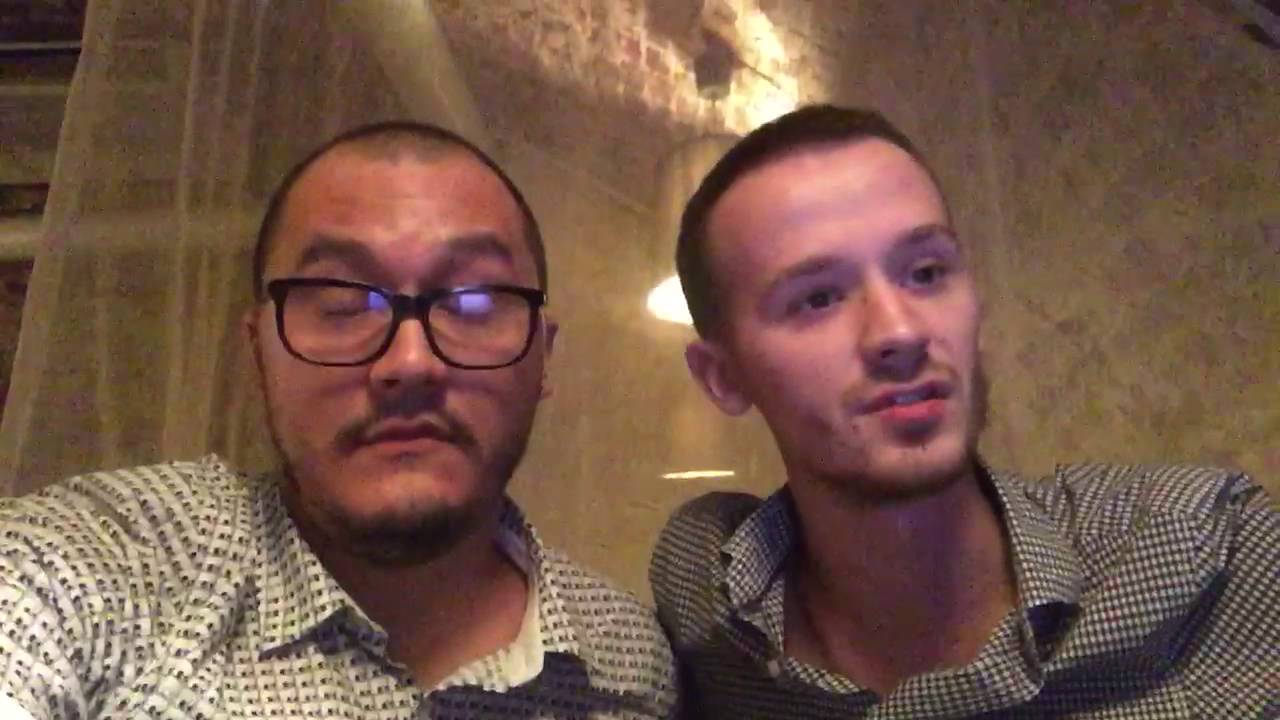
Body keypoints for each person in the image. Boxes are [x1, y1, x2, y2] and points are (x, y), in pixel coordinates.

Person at [0, 121, 677, 718]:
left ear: (542, 356)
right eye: (341, 303)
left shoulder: (630, 663)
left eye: (472, 303)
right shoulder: (119, 564)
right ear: (258, 351)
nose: (410, 363)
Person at [649, 104, 1279, 718]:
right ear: (723, 378)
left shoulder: (1214, 555)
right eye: (817, 299)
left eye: (926, 272)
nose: (900, 331)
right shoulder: (711, 610)